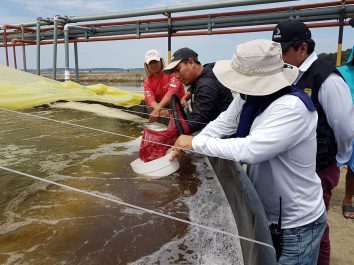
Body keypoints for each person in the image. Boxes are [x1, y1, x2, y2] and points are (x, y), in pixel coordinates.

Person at [171, 39, 327, 264]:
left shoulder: (292, 107)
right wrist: (194, 140)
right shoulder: (250, 97)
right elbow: (223, 123)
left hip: (296, 223)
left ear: (258, 79)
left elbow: (251, 149)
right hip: (270, 211)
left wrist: (194, 144)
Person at [272, 20, 354, 265]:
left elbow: (344, 126)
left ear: (302, 48)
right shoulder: (291, 74)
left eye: (283, 50)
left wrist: (337, 159)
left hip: (319, 167)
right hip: (298, 166)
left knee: (316, 226)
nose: (279, 56)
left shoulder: (326, 78)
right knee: (305, 225)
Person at [163, 47, 233, 134]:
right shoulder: (205, 71)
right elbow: (193, 87)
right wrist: (184, 98)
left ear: (191, 62)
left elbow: (197, 121)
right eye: (174, 72)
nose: (176, 76)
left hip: (221, 135)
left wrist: (169, 133)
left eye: (178, 69)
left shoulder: (207, 84)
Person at [143, 49, 185, 122]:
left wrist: (157, 109)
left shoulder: (173, 74)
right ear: (147, 65)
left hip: (179, 107)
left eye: (155, 61)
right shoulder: (147, 81)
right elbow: (149, 99)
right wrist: (160, 110)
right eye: (150, 63)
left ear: (161, 61)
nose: (153, 65)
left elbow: (172, 92)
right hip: (162, 109)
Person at [337, 36, 354, 219]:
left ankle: (348, 198)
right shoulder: (341, 72)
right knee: (330, 162)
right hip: (341, 123)